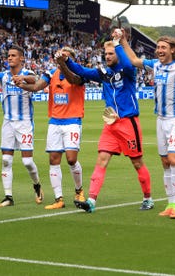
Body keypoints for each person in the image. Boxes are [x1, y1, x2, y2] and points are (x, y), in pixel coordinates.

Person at [66, 29, 153, 213]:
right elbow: (81, 71)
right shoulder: (102, 72)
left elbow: (129, 64)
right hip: (111, 124)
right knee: (102, 160)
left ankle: (148, 198)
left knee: (137, 163)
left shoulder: (127, 70)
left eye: (111, 53)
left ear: (117, 54)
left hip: (128, 123)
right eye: (105, 53)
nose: (107, 56)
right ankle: (91, 201)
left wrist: (118, 43)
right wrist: (67, 60)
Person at [120, 32, 175, 219]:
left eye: (163, 47)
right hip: (161, 119)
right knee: (165, 163)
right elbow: (133, 60)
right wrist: (123, 40)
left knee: (174, 160)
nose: (159, 50)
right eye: (158, 47)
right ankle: (170, 203)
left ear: (172, 50)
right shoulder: (154, 65)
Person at [0, 45, 44, 207]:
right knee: (6, 160)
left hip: (25, 123)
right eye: (8, 55)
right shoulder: (3, 75)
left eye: (13, 55)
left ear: (21, 58)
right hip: (7, 123)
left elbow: (35, 81)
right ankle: (8, 196)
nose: (10, 58)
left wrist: (23, 79)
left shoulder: (28, 73)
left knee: (27, 162)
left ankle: (37, 185)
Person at [18, 47, 86, 210]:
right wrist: (21, 84)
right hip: (55, 121)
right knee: (53, 160)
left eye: (66, 57)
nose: (61, 58)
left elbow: (72, 80)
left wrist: (64, 64)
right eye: (60, 56)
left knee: (71, 159)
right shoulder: (50, 74)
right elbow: (36, 87)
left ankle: (79, 190)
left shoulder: (79, 75)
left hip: (72, 121)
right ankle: (59, 199)